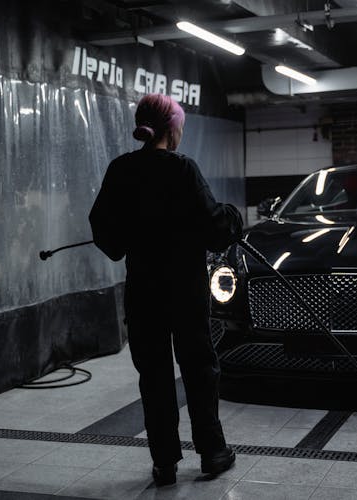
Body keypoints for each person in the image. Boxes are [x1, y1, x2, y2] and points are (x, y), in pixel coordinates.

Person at [89, 93, 242, 487]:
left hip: (143, 293)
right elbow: (215, 230)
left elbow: (106, 234)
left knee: (154, 377)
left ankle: (164, 463)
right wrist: (232, 215)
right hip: (185, 292)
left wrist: (133, 235)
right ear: (171, 128)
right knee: (200, 370)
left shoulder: (121, 169)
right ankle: (212, 452)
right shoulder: (183, 169)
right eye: (180, 128)